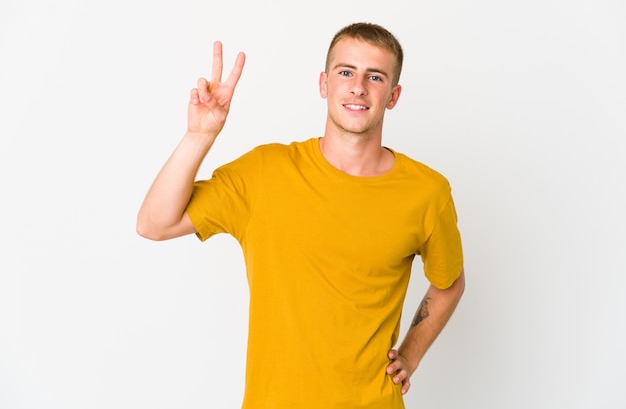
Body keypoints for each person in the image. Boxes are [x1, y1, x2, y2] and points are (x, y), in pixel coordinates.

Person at [137, 22, 465, 409]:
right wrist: (200, 136)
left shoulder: (427, 192)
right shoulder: (265, 172)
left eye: (374, 77)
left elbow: (449, 282)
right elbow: (154, 224)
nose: (358, 86)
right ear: (324, 84)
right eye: (346, 72)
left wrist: (409, 355)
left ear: (392, 96)